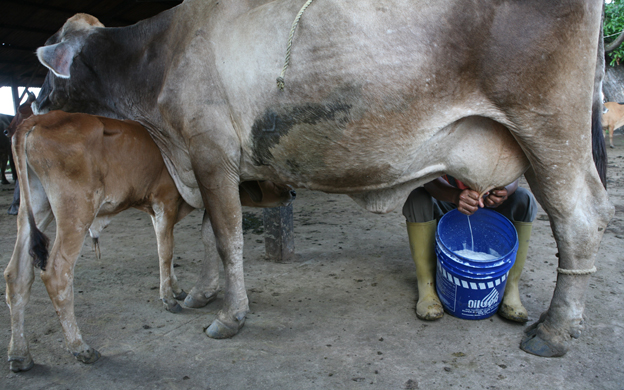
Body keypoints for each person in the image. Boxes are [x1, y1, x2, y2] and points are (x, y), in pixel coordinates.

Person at [402, 175, 537, 322]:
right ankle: (427, 286)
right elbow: (429, 180)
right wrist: (454, 195)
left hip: (489, 207)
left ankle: (510, 287)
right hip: (449, 205)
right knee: (418, 198)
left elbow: (513, 173)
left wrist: (504, 191)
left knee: (524, 198)